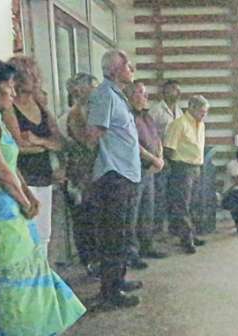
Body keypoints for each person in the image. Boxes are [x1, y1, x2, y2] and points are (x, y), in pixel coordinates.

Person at [0, 57, 85, 336]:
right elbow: (0, 171)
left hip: (11, 202)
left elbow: (13, 166)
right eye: (7, 88)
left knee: (28, 262)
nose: (13, 94)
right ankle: (17, 333)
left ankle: (35, 325)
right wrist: (23, 199)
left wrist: (27, 194)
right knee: (9, 271)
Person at [85, 49, 144, 308]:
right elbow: (92, 135)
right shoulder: (104, 95)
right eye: (126, 65)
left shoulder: (119, 96)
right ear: (113, 70)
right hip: (113, 176)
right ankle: (109, 293)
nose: (131, 68)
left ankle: (118, 281)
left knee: (122, 235)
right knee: (112, 236)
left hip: (126, 174)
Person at [3, 56, 64, 256]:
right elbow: (17, 145)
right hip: (24, 176)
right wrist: (45, 145)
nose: (36, 79)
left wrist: (39, 142)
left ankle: (43, 279)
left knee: (44, 234)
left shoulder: (41, 105)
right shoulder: (9, 108)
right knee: (29, 234)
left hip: (44, 175)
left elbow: (60, 142)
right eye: (30, 75)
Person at [123, 82, 166, 258]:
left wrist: (160, 157)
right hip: (136, 169)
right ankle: (132, 252)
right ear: (131, 95)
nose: (146, 96)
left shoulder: (147, 116)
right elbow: (134, 145)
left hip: (150, 170)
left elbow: (157, 139)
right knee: (134, 212)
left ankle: (147, 246)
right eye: (141, 93)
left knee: (148, 210)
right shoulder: (127, 116)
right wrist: (154, 159)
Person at [63, 73, 99, 273]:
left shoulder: (91, 112)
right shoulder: (75, 114)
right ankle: (90, 261)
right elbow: (87, 143)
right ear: (79, 90)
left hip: (93, 174)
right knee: (84, 220)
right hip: (80, 176)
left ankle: (96, 259)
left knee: (94, 219)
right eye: (92, 87)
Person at [164, 95, 209, 254]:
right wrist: (175, 167)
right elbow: (168, 148)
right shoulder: (179, 124)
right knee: (182, 205)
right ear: (192, 108)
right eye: (202, 112)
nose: (204, 115)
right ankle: (186, 239)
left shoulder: (201, 124)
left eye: (206, 112)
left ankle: (192, 234)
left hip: (196, 167)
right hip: (182, 168)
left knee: (193, 203)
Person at [148, 80, 183, 235]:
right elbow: (149, 134)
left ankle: (174, 228)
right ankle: (157, 230)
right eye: (172, 89)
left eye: (177, 90)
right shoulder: (156, 111)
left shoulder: (180, 111)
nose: (176, 92)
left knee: (174, 195)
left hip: (177, 158)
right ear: (164, 92)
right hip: (161, 158)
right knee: (159, 195)